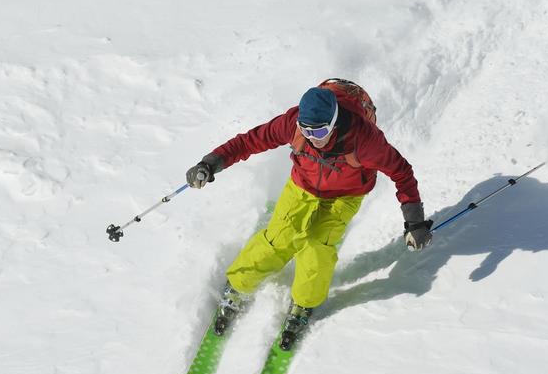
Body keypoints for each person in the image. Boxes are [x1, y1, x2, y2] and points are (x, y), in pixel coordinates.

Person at [185, 79, 432, 350]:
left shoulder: (365, 141)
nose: (313, 138)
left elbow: (402, 172)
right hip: (302, 185)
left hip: (345, 195)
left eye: (321, 131)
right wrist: (211, 163)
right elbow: (251, 141)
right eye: (307, 131)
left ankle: (304, 304)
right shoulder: (293, 123)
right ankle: (238, 285)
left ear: (334, 122)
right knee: (279, 238)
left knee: (317, 247)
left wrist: (414, 221)